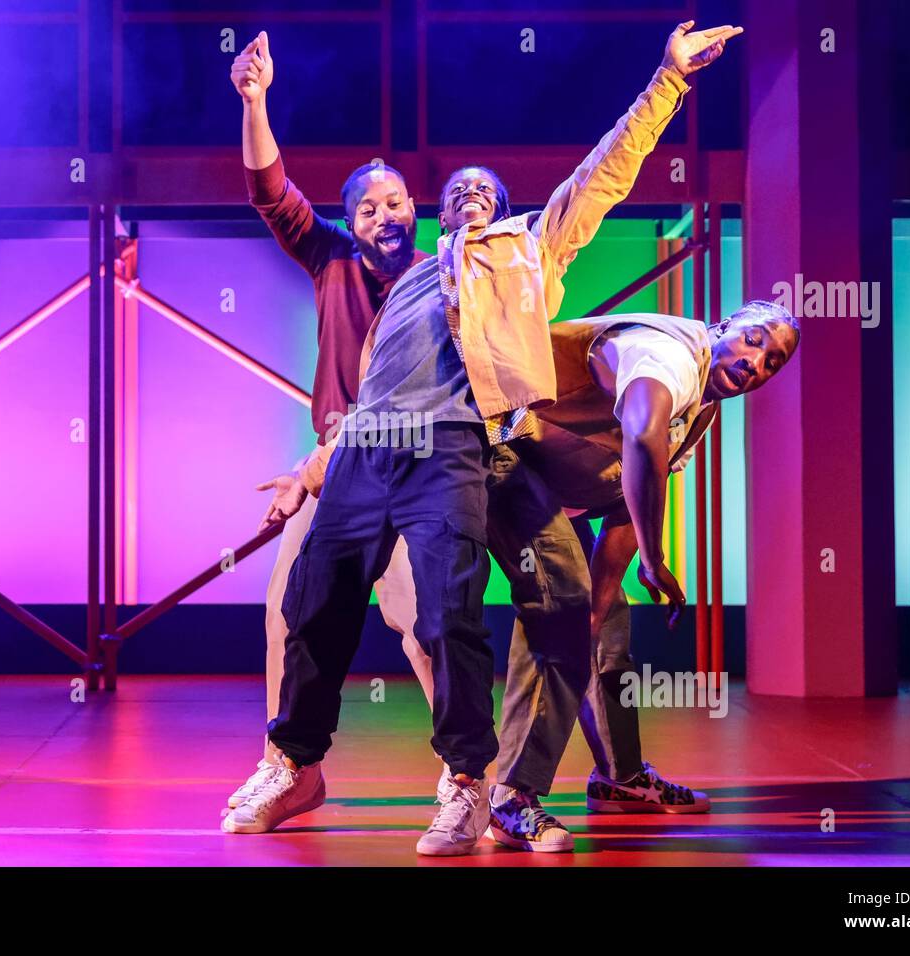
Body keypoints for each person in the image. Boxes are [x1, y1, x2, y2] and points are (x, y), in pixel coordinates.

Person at [225, 20, 742, 857]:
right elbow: (369, 395)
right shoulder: (401, 279)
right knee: (315, 598)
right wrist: (310, 465)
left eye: (483, 190)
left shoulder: (526, 248)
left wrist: (668, 81)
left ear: (504, 210)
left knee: (484, 609)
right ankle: (295, 761)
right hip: (375, 448)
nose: (468, 194)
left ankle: (490, 786)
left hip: (475, 446)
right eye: (454, 191)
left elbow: (603, 174)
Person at [483, 300, 797, 852]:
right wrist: (655, 560)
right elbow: (643, 435)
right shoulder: (669, 354)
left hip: (555, 489)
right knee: (562, 610)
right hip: (497, 451)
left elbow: (627, 505)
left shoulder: (701, 405)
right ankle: (511, 795)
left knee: (601, 623)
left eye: (773, 362)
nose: (757, 364)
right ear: (723, 328)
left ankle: (620, 779)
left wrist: (603, 604)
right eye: (753, 342)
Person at [224, 31, 436, 812]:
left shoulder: (441, 283)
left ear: (416, 214)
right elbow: (270, 190)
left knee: (429, 625)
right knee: (289, 612)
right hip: (334, 470)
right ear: (351, 220)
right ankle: (291, 767)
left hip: (412, 472)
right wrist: (255, 101)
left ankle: (468, 775)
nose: (387, 213)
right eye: (370, 206)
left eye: (398, 202)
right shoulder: (331, 258)